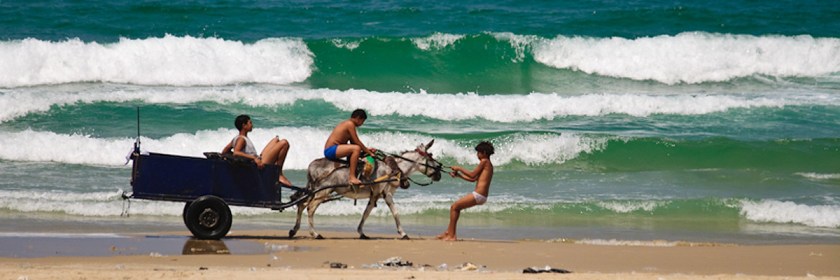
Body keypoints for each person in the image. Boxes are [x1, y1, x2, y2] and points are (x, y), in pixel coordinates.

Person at [437, 141, 494, 241]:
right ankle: (448, 232)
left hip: (479, 195)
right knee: (455, 207)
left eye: (478, 153)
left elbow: (472, 175)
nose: (477, 155)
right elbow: (473, 179)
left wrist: (459, 168)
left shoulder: (484, 162)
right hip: (481, 196)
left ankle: (452, 235)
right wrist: (458, 175)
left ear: (484, 153)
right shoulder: (488, 164)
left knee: (454, 207)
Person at [221, 114, 293, 186]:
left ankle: (278, 172)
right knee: (284, 143)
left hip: (258, 159)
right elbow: (236, 153)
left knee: (276, 140)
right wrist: (253, 158)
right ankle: (279, 173)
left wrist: (244, 157)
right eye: (250, 123)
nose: (252, 125)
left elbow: (225, 151)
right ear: (244, 125)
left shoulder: (237, 138)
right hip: (257, 165)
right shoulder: (241, 139)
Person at [323, 109, 376, 185]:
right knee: (356, 149)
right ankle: (352, 177)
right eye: (362, 121)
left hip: (336, 148)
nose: (362, 124)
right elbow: (357, 142)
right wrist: (369, 153)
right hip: (330, 150)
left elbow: (354, 142)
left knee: (355, 148)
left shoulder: (349, 124)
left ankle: (350, 170)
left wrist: (367, 149)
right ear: (358, 118)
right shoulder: (349, 124)